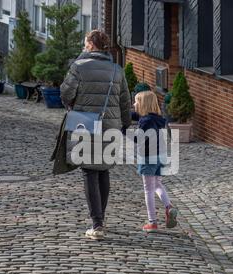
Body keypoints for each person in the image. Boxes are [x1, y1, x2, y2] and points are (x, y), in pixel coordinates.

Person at [60, 30, 132, 241]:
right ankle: (100, 219)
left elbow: (65, 93)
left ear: (91, 44)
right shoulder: (117, 70)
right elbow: (124, 101)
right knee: (103, 170)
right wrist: (124, 124)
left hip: (85, 124)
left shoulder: (79, 67)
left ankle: (97, 223)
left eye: (85, 43)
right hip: (111, 126)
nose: (84, 46)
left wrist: (71, 105)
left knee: (90, 171)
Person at [132, 91, 179, 233]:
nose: (134, 104)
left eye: (136, 102)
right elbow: (135, 115)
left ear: (143, 105)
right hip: (161, 156)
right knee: (158, 184)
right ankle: (168, 206)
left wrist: (123, 130)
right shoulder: (158, 119)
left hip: (148, 157)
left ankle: (152, 222)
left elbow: (138, 139)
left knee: (148, 189)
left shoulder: (145, 122)